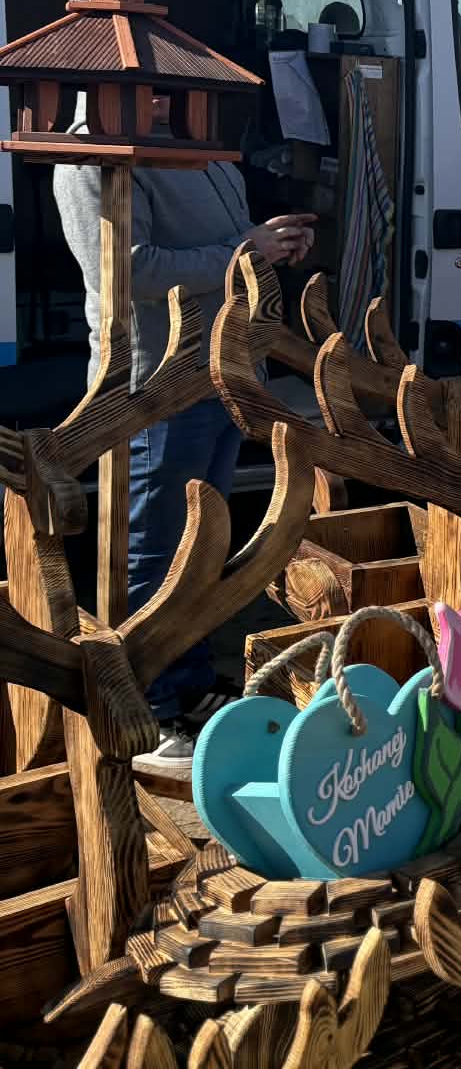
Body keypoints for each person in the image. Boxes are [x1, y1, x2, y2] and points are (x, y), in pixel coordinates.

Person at [54, 103, 315, 778]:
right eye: (158, 82)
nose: (169, 94)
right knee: (154, 546)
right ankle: (151, 707)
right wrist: (246, 250)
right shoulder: (91, 158)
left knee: (201, 542)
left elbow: (228, 248)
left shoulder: (191, 145)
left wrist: (269, 248)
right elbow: (128, 270)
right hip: (156, 383)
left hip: (220, 375)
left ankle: (189, 686)